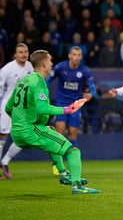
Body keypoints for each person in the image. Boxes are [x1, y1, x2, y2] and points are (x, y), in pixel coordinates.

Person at [5, 50, 100, 194]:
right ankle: (77, 186)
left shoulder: (24, 80)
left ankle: (63, 173)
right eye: (50, 61)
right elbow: (43, 108)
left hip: (18, 132)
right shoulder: (38, 82)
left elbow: (8, 107)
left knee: (51, 130)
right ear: (43, 64)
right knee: (73, 151)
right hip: (30, 130)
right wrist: (67, 110)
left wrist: (21, 121)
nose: (52, 64)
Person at [46, 46, 96, 174]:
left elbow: (92, 88)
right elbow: (48, 80)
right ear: (69, 55)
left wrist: (90, 94)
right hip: (61, 104)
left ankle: (73, 163)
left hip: (75, 106)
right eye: (74, 54)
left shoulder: (84, 71)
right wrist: (43, 90)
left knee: (73, 133)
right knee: (59, 133)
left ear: (81, 57)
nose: (76, 57)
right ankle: (57, 164)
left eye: (78, 55)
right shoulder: (61, 67)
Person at [0, 43, 34, 179]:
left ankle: (5, 161)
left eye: (25, 51)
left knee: (24, 138)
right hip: (7, 107)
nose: (23, 54)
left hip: (23, 109)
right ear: (15, 54)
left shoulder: (30, 67)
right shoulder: (7, 69)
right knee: (3, 136)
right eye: (20, 52)